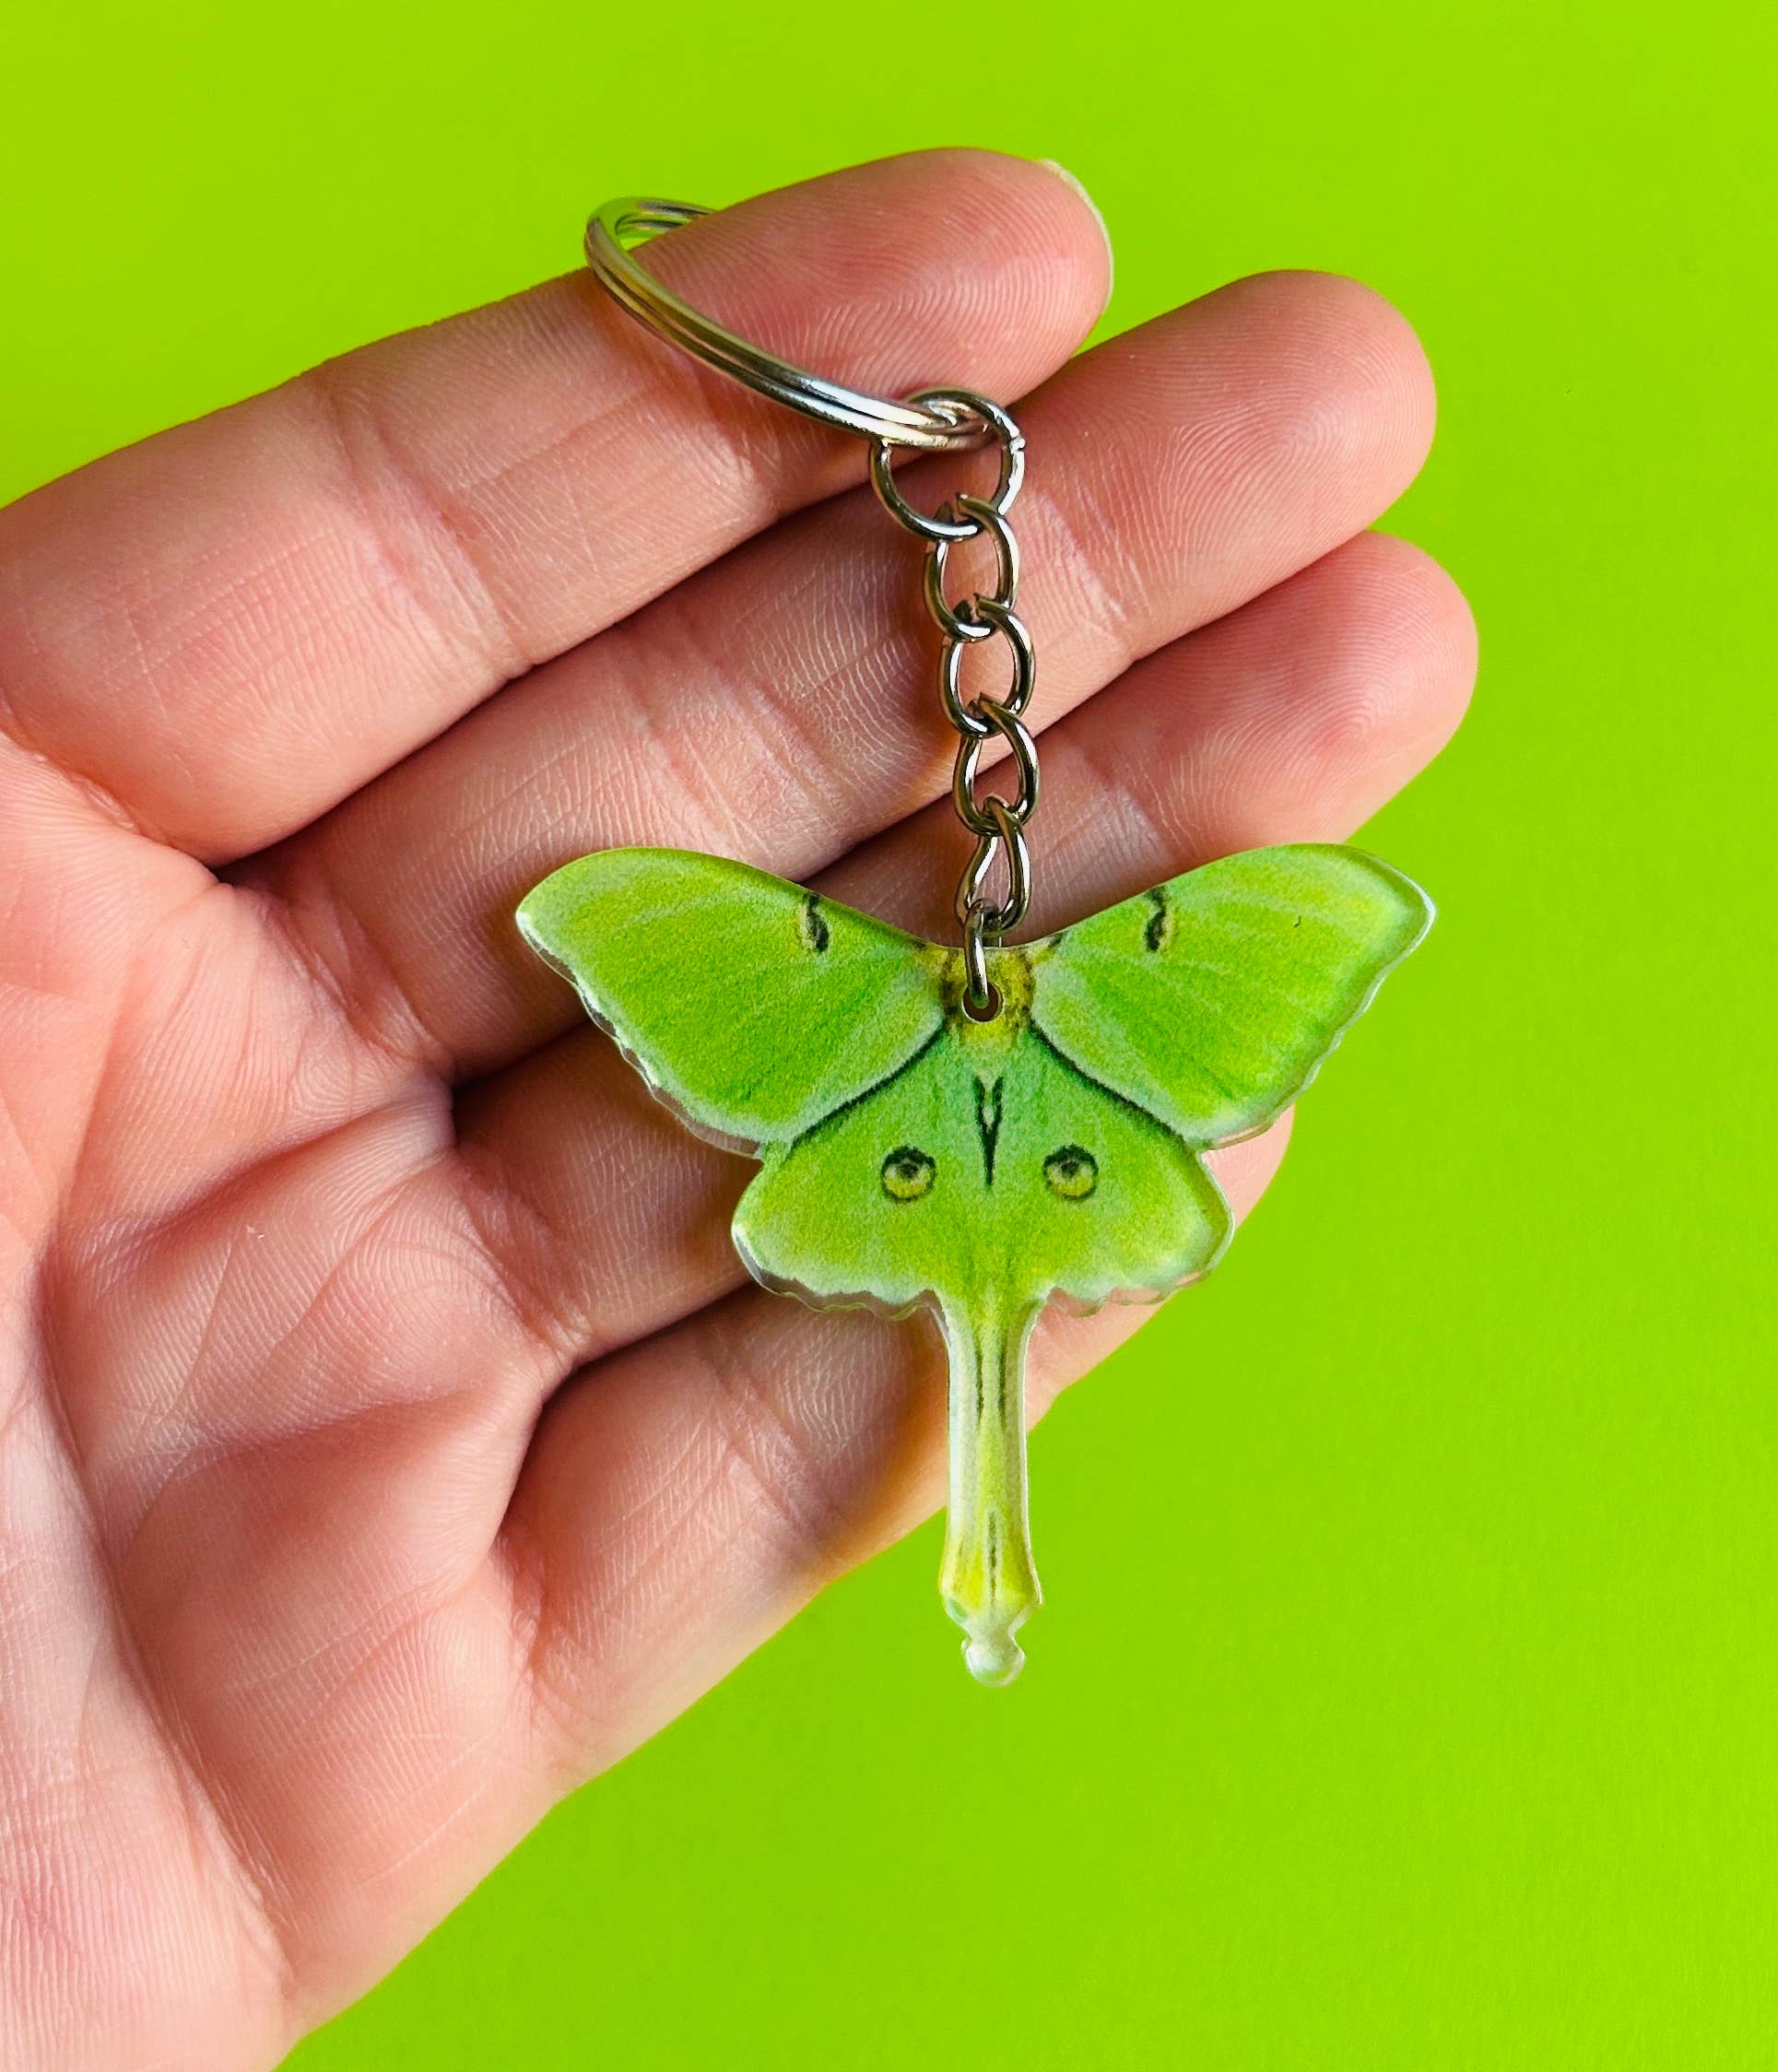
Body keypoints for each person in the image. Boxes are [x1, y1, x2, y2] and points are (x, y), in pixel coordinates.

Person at [0, 149, 1474, 2068]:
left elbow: (1336, 917)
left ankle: (987, 1554)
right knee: (987, 1331)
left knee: (983, 1322)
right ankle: (990, 1559)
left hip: (937, 1119)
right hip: (1039, 1116)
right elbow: (609, 916)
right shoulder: (1016, 944)